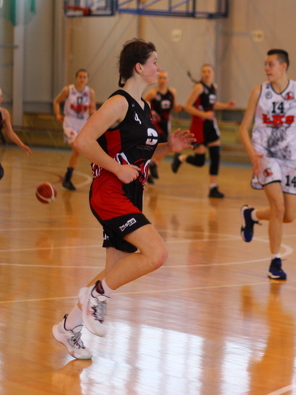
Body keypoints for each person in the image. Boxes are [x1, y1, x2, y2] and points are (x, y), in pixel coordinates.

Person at [52, 39, 194, 360]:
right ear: (139, 67)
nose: (159, 68)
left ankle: (68, 328)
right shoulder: (119, 103)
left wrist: (169, 147)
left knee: (114, 271)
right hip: (110, 189)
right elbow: (83, 141)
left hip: (132, 191)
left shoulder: (144, 108)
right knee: (157, 253)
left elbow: (140, 155)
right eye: (154, 62)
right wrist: (116, 168)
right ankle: (96, 298)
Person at [238, 49, 296, 280]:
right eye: (265, 64)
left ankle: (251, 215)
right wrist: (253, 155)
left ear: (283, 67)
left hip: (289, 159)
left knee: (288, 215)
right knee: (277, 207)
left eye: (271, 64)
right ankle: (275, 262)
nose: (266, 68)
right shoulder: (258, 92)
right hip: (264, 155)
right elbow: (243, 128)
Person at [171, 64, 235, 198]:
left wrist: (226, 106)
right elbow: (187, 106)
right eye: (204, 71)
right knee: (200, 161)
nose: (206, 74)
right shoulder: (199, 87)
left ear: (213, 73)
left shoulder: (213, 87)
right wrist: (204, 114)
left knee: (215, 156)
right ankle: (181, 157)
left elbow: (212, 104)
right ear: (201, 74)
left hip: (210, 125)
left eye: (209, 71)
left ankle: (213, 187)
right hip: (199, 126)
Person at [53, 69, 97, 190]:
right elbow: (56, 101)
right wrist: (58, 114)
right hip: (70, 122)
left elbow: (92, 109)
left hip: (83, 123)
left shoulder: (90, 92)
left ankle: (67, 178)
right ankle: (68, 177)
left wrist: (97, 115)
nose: (82, 79)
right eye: (80, 76)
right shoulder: (68, 90)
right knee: (77, 148)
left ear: (87, 79)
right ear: (76, 78)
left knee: (78, 152)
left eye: (84, 77)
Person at [143, 70, 181, 184]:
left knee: (165, 147)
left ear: (167, 80)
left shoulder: (172, 92)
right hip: (155, 124)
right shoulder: (153, 93)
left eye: (164, 78)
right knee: (161, 144)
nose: (162, 80)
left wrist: (178, 108)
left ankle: (152, 166)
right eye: (160, 78)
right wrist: (150, 112)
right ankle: (150, 165)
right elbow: (141, 104)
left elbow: (174, 107)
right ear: (157, 79)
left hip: (166, 123)